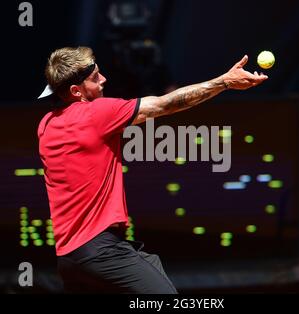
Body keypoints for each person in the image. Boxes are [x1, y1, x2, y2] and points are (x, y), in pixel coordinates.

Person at [37, 46, 268, 294]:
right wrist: (224, 82)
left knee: (151, 264)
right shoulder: (97, 114)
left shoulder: (45, 126)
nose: (103, 80)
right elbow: (163, 105)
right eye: (95, 78)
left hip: (69, 258)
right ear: (76, 91)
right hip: (102, 251)